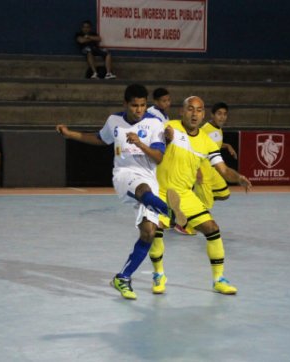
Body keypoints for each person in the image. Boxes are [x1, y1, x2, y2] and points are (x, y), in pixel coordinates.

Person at [56, 84, 186, 300]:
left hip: (149, 176)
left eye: (143, 105)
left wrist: (141, 143)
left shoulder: (155, 124)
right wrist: (70, 134)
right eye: (134, 105)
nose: (139, 110)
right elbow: (99, 139)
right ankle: (171, 213)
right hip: (124, 174)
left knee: (148, 233)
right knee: (142, 190)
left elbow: (159, 157)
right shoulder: (114, 121)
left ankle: (123, 277)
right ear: (125, 104)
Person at [149, 96, 252, 295]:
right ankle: (159, 274)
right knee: (156, 229)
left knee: (212, 229)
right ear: (182, 111)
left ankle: (218, 279)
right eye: (190, 109)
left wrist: (238, 178)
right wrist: (163, 139)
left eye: (198, 110)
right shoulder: (167, 126)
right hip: (159, 190)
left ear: (203, 114)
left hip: (185, 195)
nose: (194, 114)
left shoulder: (206, 142)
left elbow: (223, 170)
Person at [176, 102, 237, 235]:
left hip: (212, 171)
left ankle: (195, 200)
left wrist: (227, 146)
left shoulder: (217, 129)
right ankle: (184, 224)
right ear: (212, 115)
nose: (222, 117)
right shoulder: (205, 129)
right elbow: (193, 146)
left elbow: (212, 145)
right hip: (202, 171)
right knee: (206, 204)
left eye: (225, 114)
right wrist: (197, 170)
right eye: (219, 114)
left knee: (224, 194)